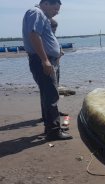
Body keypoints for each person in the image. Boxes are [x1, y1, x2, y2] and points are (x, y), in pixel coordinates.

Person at [22, 0, 72, 140]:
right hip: (43, 60)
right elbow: (34, 35)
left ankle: (52, 127)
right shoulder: (36, 12)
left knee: (48, 95)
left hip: (48, 60)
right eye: (55, 8)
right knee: (51, 96)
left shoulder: (42, 16)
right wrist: (45, 60)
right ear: (46, 4)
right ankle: (54, 132)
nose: (57, 12)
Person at [49, 18, 68, 117]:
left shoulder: (52, 36)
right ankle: (51, 113)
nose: (54, 31)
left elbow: (56, 47)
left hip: (56, 64)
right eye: (53, 29)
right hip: (51, 65)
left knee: (55, 89)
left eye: (55, 29)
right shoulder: (45, 36)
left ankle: (54, 110)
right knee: (51, 92)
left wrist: (60, 52)